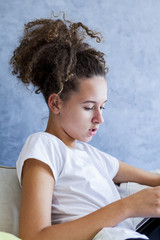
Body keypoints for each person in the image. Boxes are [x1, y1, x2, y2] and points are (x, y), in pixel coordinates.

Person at [10, 12, 160, 240]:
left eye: (103, 107)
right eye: (89, 107)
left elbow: (152, 179)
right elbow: (34, 236)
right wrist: (128, 206)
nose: (99, 118)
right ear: (56, 103)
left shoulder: (91, 155)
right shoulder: (43, 146)